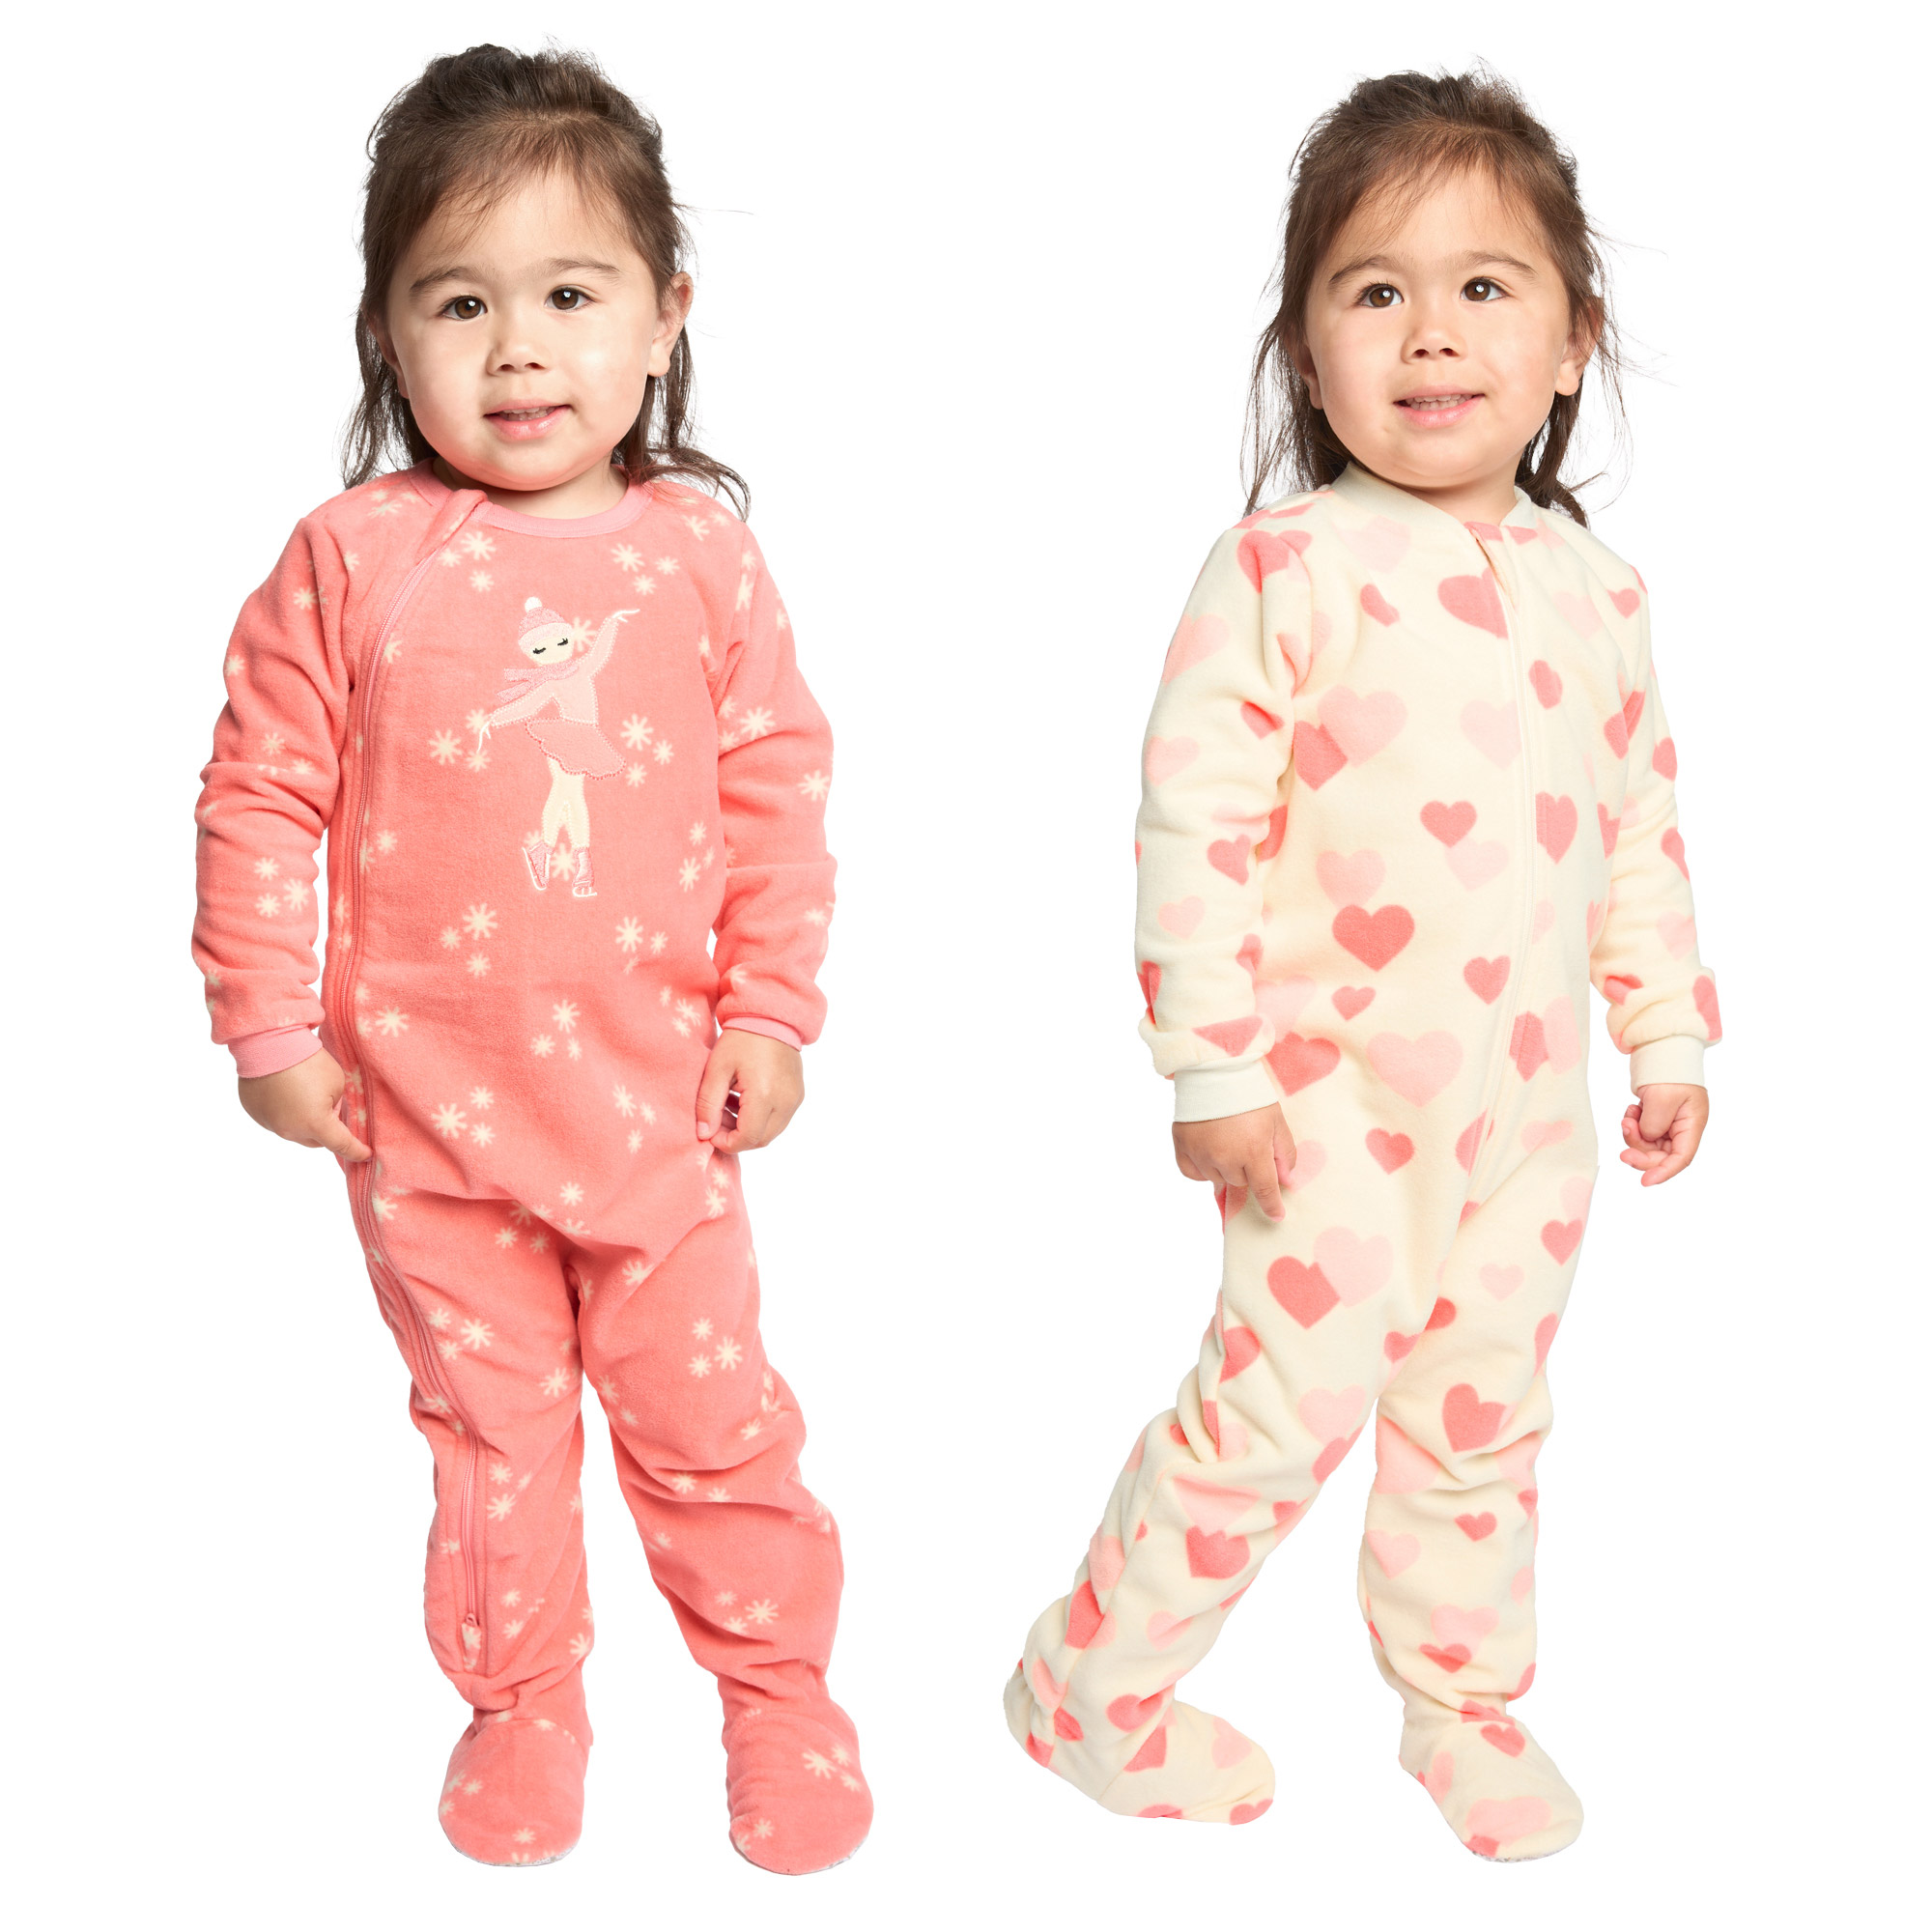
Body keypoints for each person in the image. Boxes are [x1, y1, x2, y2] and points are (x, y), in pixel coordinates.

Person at [1006, 68, 1719, 1861]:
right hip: (1329, 1112)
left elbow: (1639, 822)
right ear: (1307, 353)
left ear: (1573, 339)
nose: (1432, 331)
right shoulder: (1283, 570)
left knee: (1483, 1416)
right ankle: (1090, 1687)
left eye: (1486, 285)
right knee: (1275, 1409)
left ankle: (1461, 1706)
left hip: (1529, 1120)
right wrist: (1213, 1067)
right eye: (1375, 288)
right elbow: (1194, 829)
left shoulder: (1599, 592)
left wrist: (1666, 1036)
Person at [192, 43, 867, 1875]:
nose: (517, 351)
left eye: (570, 296)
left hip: (661, 1120)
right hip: (425, 1128)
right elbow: (258, 791)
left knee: (713, 1425)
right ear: (387, 332)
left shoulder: (700, 559)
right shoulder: (352, 557)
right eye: (460, 302)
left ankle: (777, 1695)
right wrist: (266, 1026)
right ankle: (523, 1705)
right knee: (492, 1443)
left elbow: (777, 793)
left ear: (664, 316)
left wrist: (772, 1011)